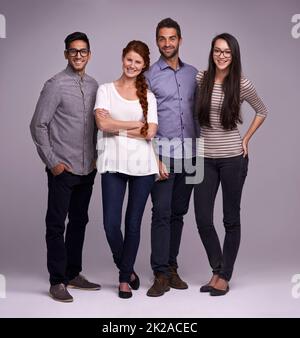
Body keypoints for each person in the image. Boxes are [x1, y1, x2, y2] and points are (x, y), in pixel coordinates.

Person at [194, 33, 268, 296]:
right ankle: (216, 269)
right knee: (202, 218)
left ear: (234, 55)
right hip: (202, 158)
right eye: (217, 51)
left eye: (226, 52)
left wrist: (246, 138)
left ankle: (224, 276)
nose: (221, 56)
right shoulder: (201, 79)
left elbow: (262, 110)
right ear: (212, 52)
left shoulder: (242, 84)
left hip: (232, 159)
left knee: (230, 219)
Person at [30, 32, 100, 302]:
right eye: (73, 51)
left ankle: (73, 273)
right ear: (66, 55)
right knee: (56, 224)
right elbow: (38, 125)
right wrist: (52, 162)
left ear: (89, 54)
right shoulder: (55, 85)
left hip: (87, 170)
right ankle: (57, 280)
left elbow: (98, 126)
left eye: (83, 51)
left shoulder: (95, 86)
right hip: (63, 169)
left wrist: (97, 157)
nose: (78, 55)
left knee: (80, 222)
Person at [94, 40, 158, 299]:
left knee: (132, 224)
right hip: (112, 164)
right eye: (129, 59)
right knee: (111, 224)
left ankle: (123, 279)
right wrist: (134, 125)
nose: (132, 65)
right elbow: (102, 125)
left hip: (143, 166)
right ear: (123, 58)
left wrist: (116, 125)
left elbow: (151, 132)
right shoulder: (105, 90)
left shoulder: (149, 97)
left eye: (138, 62)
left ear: (144, 66)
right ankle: (128, 269)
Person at [145, 18, 198, 297]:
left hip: (191, 155)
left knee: (179, 213)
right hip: (163, 155)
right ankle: (160, 273)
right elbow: (145, 121)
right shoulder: (149, 76)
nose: (167, 43)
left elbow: (200, 115)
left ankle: (172, 267)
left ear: (180, 39)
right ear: (157, 41)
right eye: (162, 39)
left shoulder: (194, 75)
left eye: (172, 38)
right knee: (161, 214)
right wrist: (154, 158)